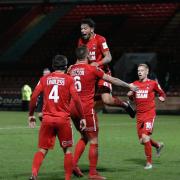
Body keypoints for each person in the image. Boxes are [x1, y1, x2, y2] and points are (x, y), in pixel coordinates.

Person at [68, 46, 138, 179]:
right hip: (86, 109)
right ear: (87, 56)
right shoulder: (92, 69)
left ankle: (73, 165)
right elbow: (113, 80)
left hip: (72, 109)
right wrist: (129, 85)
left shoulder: (70, 69)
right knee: (94, 140)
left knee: (84, 137)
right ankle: (93, 173)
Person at [28, 55, 86, 180]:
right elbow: (76, 99)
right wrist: (82, 117)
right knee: (67, 150)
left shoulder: (44, 79)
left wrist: (31, 115)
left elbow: (33, 97)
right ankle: (67, 178)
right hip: (63, 120)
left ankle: (34, 173)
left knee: (42, 149)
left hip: (47, 119)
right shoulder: (69, 80)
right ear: (66, 67)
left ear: (53, 66)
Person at [78, 18, 135, 118]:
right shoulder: (81, 41)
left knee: (107, 100)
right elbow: (81, 57)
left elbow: (109, 57)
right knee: (89, 106)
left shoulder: (100, 39)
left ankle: (125, 105)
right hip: (90, 75)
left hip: (102, 73)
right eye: (81, 29)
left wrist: (98, 63)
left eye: (85, 28)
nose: (82, 31)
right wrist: (75, 66)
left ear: (92, 29)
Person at [127, 63, 166, 170]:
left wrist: (162, 98)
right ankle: (158, 145)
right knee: (142, 141)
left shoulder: (153, 83)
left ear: (147, 72)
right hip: (139, 115)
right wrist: (130, 96)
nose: (139, 72)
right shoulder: (134, 84)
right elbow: (132, 100)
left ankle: (149, 163)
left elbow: (162, 93)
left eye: (142, 70)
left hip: (149, 114)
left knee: (145, 137)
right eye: (138, 70)